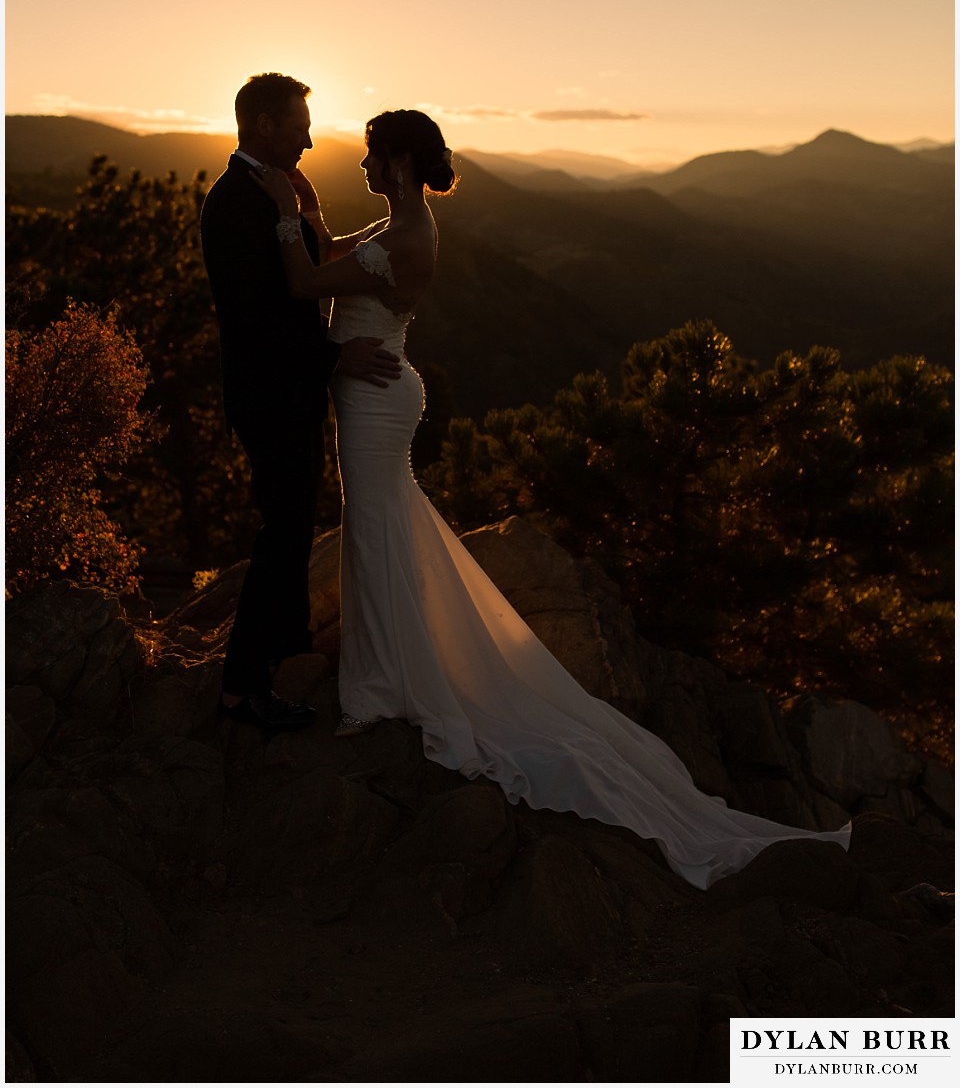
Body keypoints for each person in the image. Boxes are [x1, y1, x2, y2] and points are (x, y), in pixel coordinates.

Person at [250, 108, 852, 888]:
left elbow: (304, 280)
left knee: (373, 527)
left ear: (396, 162)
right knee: (383, 525)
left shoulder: (407, 237)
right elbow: (332, 258)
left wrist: (275, 215)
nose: (362, 164)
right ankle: (393, 664)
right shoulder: (400, 222)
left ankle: (381, 681)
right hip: (372, 390)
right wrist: (310, 213)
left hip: (373, 400)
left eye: (371, 156)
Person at [200, 73, 402, 730]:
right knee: (280, 534)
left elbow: (310, 269)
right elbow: (257, 317)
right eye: (298, 126)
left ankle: (267, 671)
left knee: (290, 532)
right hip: (268, 395)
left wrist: (361, 230)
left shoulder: (278, 192)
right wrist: (335, 356)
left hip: (293, 394)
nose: (310, 139)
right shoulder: (234, 202)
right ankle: (239, 691)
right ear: (262, 126)